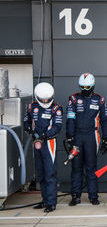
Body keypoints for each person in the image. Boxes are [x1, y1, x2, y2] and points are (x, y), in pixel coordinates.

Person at [66, 73, 107, 206]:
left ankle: (93, 196)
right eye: (82, 87)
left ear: (92, 86)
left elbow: (104, 120)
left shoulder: (100, 100)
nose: (84, 90)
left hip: (92, 136)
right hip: (77, 136)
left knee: (91, 167)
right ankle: (75, 195)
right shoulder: (73, 99)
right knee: (76, 167)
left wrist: (106, 138)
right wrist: (70, 137)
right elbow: (70, 119)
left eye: (87, 87)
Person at [24, 82, 63, 213]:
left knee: (50, 174)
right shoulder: (31, 107)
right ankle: (45, 200)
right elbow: (26, 121)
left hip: (49, 143)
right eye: (43, 99)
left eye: (48, 98)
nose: (46, 101)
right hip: (37, 143)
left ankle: (51, 203)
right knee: (40, 174)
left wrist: (45, 135)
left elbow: (57, 127)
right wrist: (29, 129)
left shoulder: (56, 108)